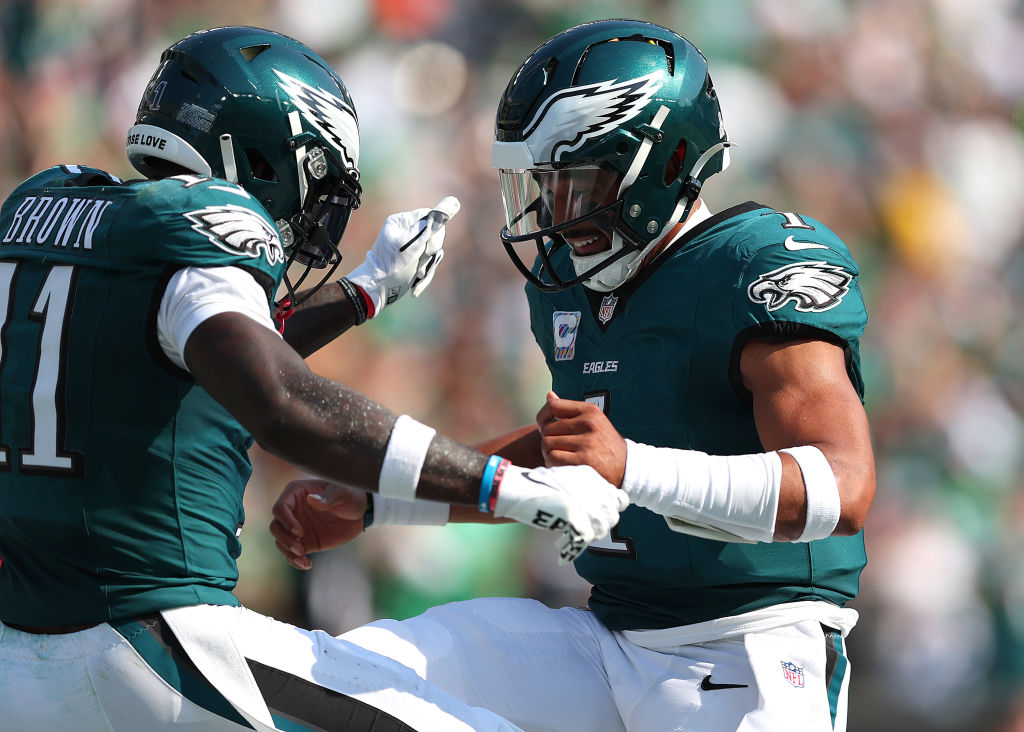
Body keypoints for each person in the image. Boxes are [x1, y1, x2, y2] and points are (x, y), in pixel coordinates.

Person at [0, 25, 628, 732]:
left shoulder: (48, 210)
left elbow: (204, 352)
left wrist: (365, 291)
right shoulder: (199, 228)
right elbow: (278, 399)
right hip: (157, 644)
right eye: (315, 183)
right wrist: (503, 484)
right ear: (261, 154)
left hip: (22, 656)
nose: (311, 219)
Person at [271, 18, 876, 732]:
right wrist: (380, 502)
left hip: (752, 649)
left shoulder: (751, 265)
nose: (551, 214)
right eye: (541, 186)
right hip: (609, 639)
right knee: (355, 673)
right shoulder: (574, 284)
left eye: (575, 185)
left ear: (660, 163)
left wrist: (632, 466)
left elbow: (843, 487)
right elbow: (565, 447)